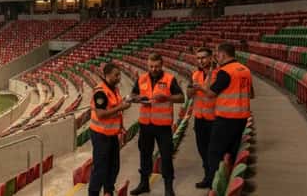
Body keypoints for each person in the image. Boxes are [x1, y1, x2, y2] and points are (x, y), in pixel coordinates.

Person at [129, 54, 185, 196]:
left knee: (166, 156)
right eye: (151, 66)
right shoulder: (141, 78)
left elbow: (181, 98)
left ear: (162, 65)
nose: (154, 69)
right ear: (147, 65)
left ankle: (168, 187)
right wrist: (138, 98)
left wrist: (166, 97)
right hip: (145, 125)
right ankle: (144, 184)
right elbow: (133, 95)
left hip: (163, 126)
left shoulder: (169, 79)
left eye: (157, 66)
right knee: (145, 155)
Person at [200, 43, 254, 188]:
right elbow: (251, 94)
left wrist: (201, 86)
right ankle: (227, 185)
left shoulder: (225, 72)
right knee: (232, 152)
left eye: (217, 55)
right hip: (242, 118)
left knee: (214, 153)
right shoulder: (245, 70)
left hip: (226, 119)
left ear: (223, 54)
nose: (216, 57)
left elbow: (210, 94)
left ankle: (213, 185)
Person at [89, 63, 129, 196]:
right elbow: (101, 114)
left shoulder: (114, 89)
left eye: (119, 75)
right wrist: (121, 107)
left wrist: (121, 126)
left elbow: (115, 110)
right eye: (116, 75)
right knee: (100, 169)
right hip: (101, 135)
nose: (119, 78)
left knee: (114, 166)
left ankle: (108, 191)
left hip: (112, 134)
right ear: (107, 75)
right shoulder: (100, 92)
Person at [187, 47, 218, 188]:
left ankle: (214, 179)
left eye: (203, 58)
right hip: (199, 118)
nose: (201, 61)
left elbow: (215, 93)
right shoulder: (195, 75)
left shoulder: (219, 74)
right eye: (198, 58)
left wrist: (201, 88)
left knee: (213, 151)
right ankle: (208, 177)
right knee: (202, 150)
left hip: (214, 118)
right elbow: (189, 95)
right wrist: (191, 89)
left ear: (211, 58)